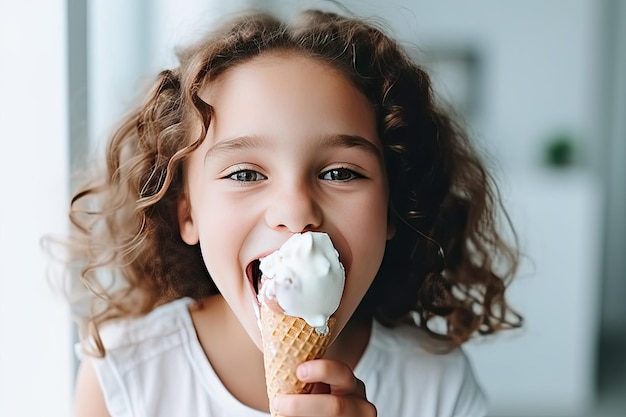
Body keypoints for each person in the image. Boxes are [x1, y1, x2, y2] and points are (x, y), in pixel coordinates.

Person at [66, 8, 521, 417]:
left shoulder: (435, 383)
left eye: (341, 173)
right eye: (245, 174)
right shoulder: (124, 377)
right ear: (187, 212)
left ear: (391, 208)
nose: (296, 210)